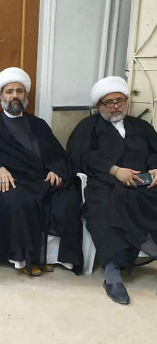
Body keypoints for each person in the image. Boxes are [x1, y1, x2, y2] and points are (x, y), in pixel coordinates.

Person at [0, 67, 83, 276]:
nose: (15, 95)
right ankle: (24, 259)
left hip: (42, 179)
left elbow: (57, 154)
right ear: (1, 96)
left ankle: (51, 257)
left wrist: (55, 169)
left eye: (19, 91)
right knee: (17, 202)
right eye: (9, 91)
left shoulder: (38, 124)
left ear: (25, 95)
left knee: (67, 199)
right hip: (13, 182)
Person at [68, 76, 157, 305]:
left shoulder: (141, 126)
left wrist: (155, 169)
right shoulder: (88, 127)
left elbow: (154, 151)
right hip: (105, 182)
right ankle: (112, 272)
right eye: (109, 102)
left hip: (144, 183)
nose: (115, 106)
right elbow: (78, 156)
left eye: (120, 100)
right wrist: (114, 170)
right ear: (99, 105)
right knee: (105, 206)